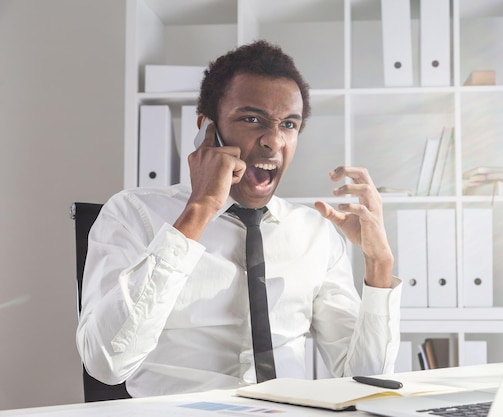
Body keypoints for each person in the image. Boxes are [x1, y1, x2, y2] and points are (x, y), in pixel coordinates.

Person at [76, 40, 402, 398]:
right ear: (207, 130)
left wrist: (378, 263)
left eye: (289, 124)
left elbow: (363, 379)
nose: (273, 141)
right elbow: (106, 363)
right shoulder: (133, 213)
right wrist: (199, 210)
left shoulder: (315, 234)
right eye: (252, 119)